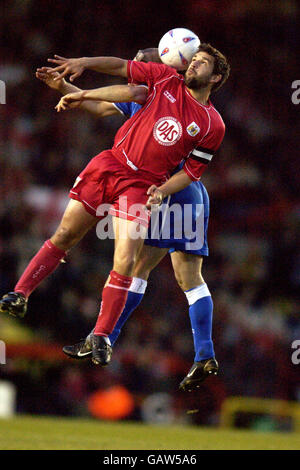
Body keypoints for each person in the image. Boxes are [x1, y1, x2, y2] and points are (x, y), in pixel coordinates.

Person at [0, 43, 230, 375]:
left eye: (201, 63)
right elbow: (117, 83)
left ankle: (104, 336)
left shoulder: (210, 123)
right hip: (110, 166)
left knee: (137, 264)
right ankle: (20, 294)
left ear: (216, 76)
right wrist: (80, 67)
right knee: (69, 234)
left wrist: (161, 191)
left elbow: (192, 172)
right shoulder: (163, 80)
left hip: (152, 187)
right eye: (191, 61)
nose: (192, 66)